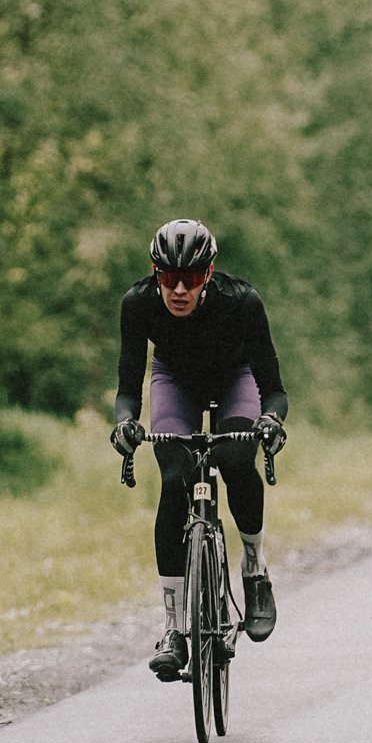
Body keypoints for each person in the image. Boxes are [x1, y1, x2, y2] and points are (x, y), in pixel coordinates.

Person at [108, 219, 289, 682]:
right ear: (155, 274)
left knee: (233, 460)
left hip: (235, 381)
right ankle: (173, 628)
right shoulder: (138, 304)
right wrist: (125, 424)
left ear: (209, 274)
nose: (180, 289)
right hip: (175, 383)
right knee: (174, 481)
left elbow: (274, 389)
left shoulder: (242, 301)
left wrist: (270, 422)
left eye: (191, 278)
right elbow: (128, 386)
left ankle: (253, 568)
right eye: (169, 278)